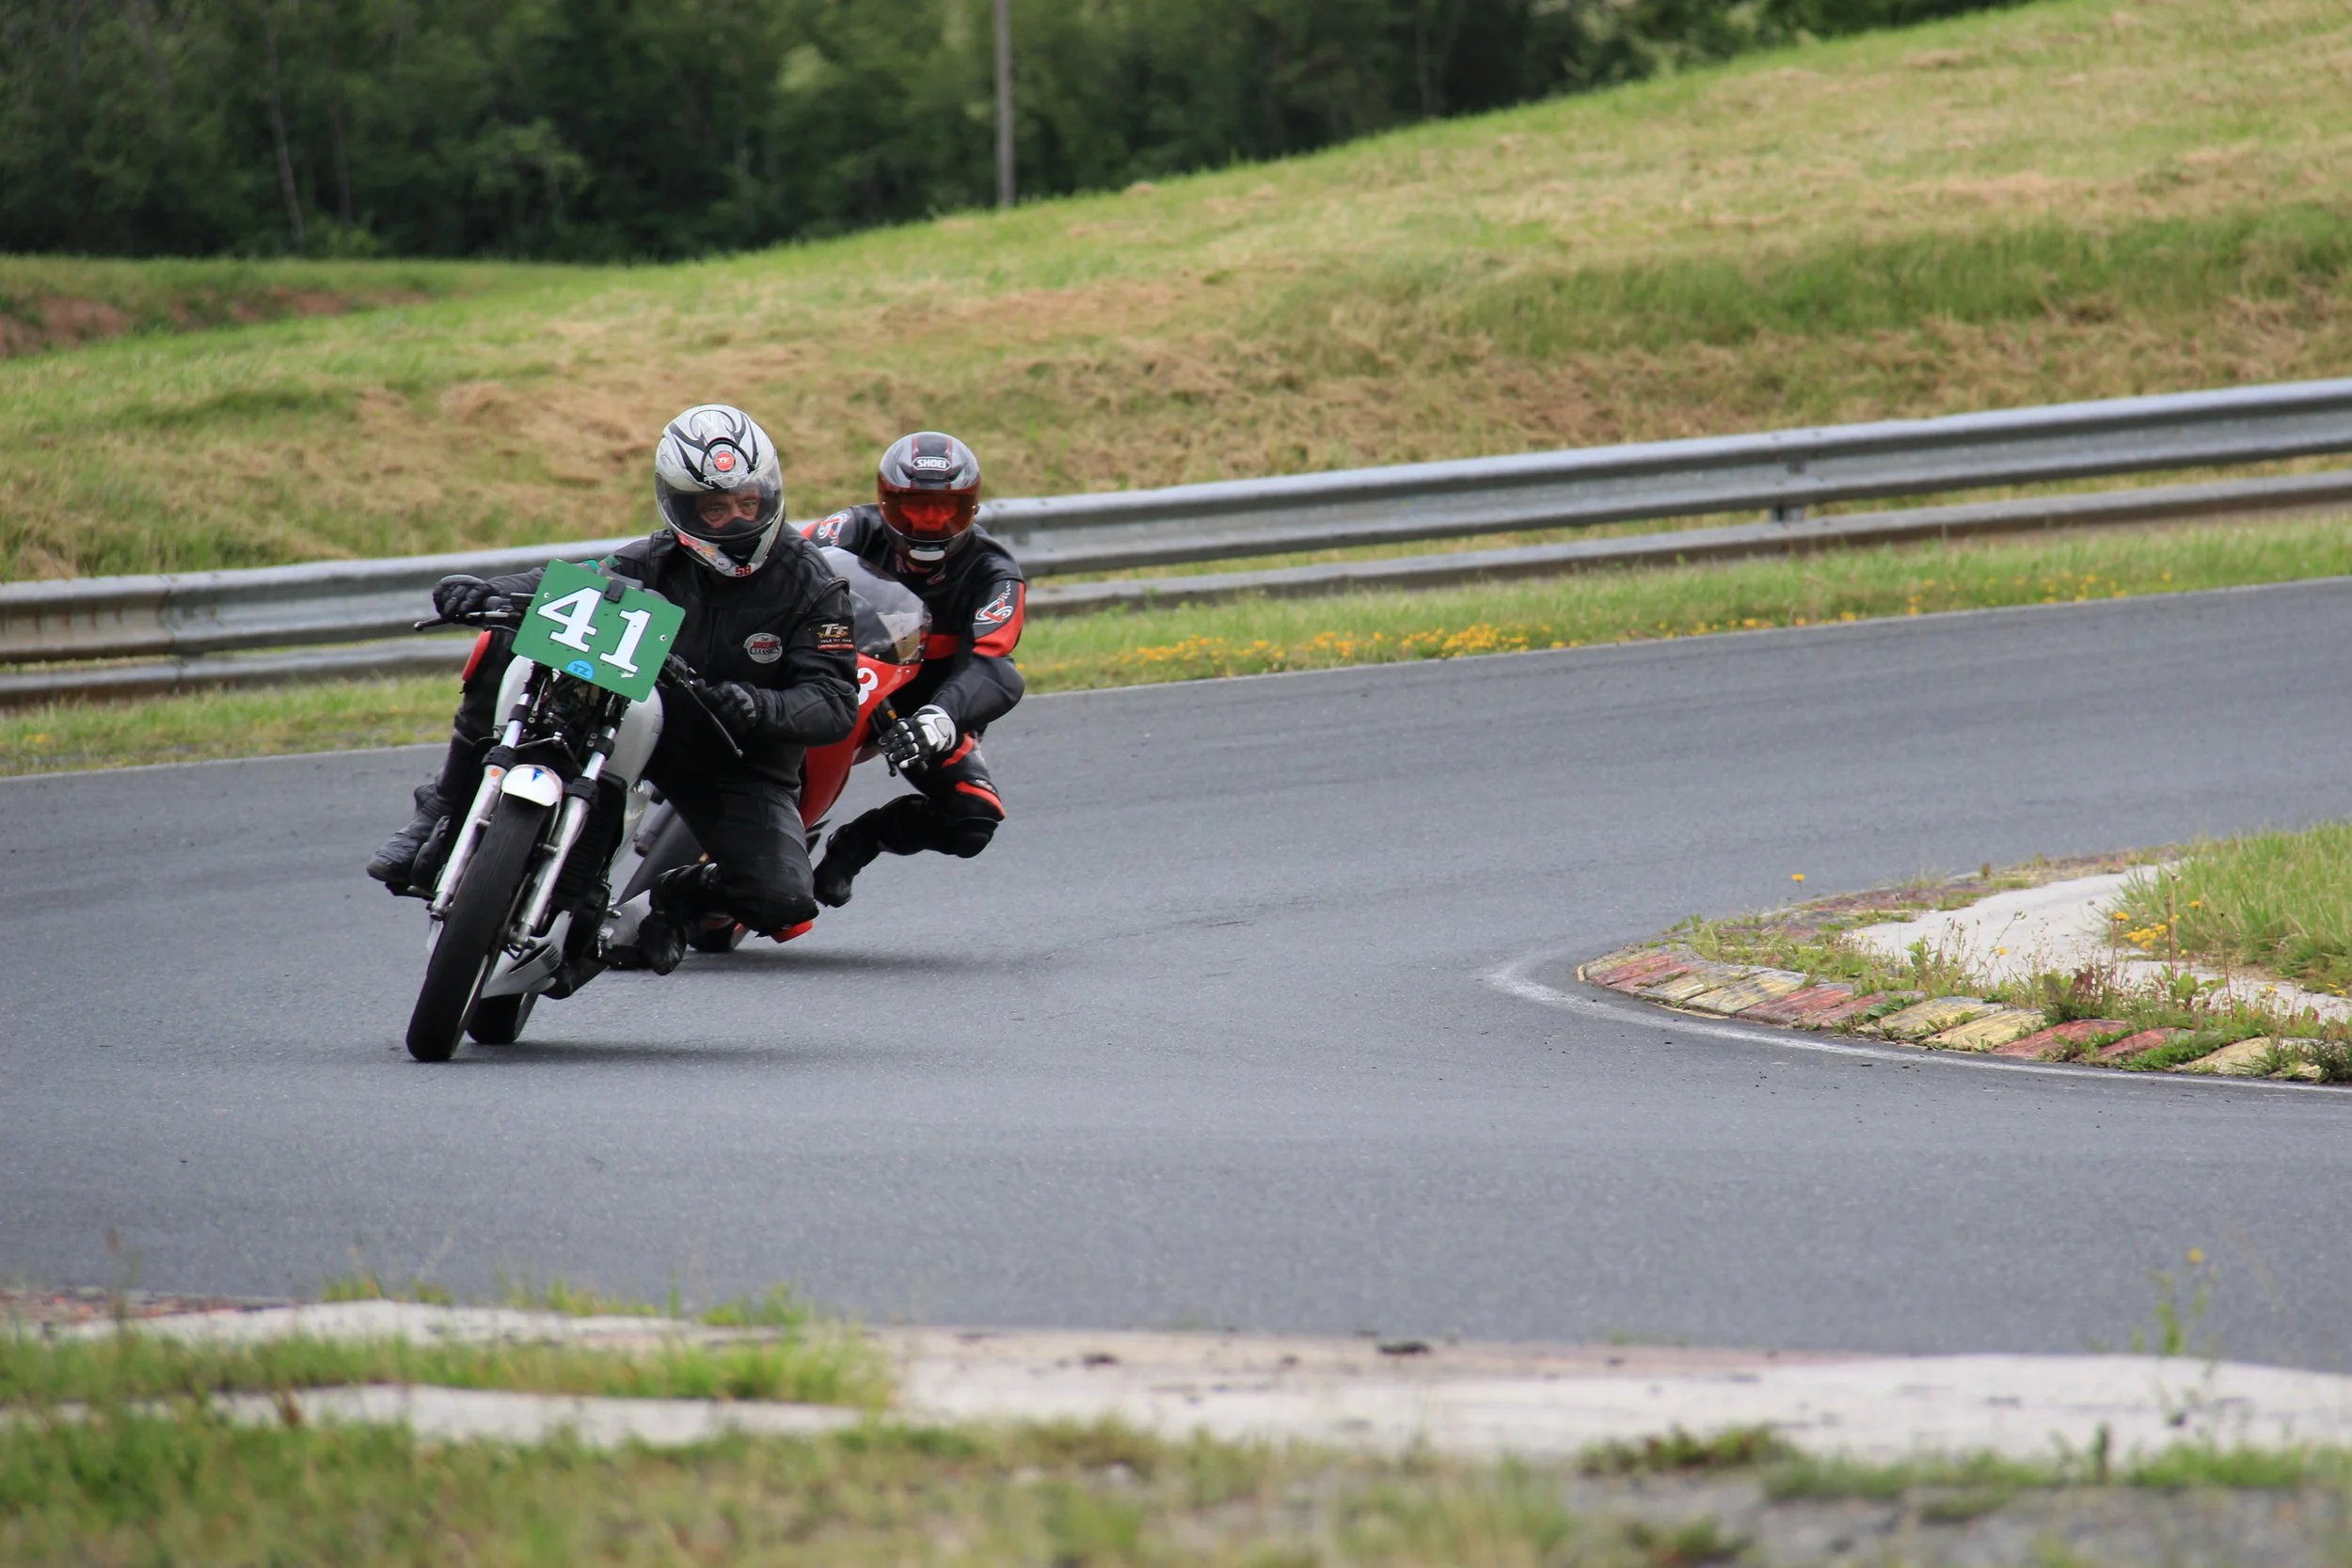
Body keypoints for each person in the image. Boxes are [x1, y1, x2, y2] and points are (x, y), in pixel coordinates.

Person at [366, 404, 859, 974]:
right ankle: (441, 811)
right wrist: (487, 590)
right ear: (681, 508)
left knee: (784, 900)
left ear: (769, 493)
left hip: (736, 755)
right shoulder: (656, 559)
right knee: (507, 635)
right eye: (715, 509)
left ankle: (674, 901)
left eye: (747, 503)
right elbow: (571, 585)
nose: (736, 520)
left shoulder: (812, 584)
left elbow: (834, 701)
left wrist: (757, 704)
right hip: (633, 723)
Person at [801, 431, 1025, 907]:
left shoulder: (996, 575)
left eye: (947, 509)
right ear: (886, 503)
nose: (929, 523)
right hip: (823, 676)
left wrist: (941, 717)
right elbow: (781, 568)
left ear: (972, 508)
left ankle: (859, 842)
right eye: (914, 508)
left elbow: (993, 666)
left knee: (974, 817)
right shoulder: (847, 529)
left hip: (918, 711)